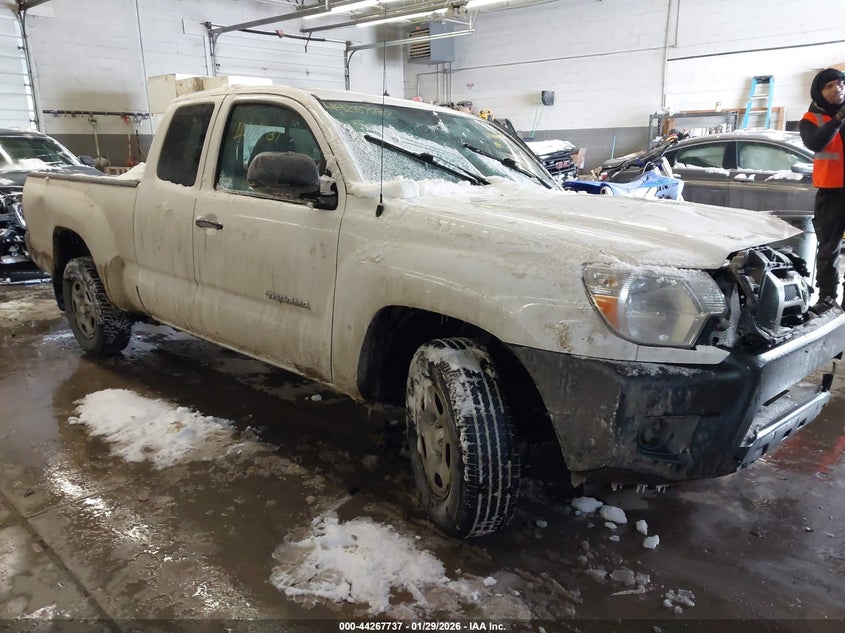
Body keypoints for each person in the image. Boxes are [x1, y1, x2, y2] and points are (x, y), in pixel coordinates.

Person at [799, 67, 845, 314]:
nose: (837, 88)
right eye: (829, 86)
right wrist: (838, 119)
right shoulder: (810, 119)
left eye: (840, 83)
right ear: (819, 91)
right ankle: (827, 297)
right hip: (831, 192)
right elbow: (816, 142)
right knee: (829, 248)